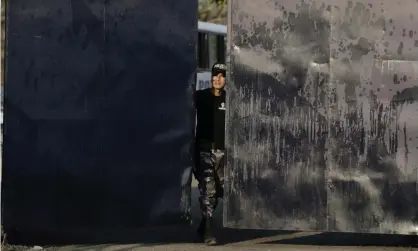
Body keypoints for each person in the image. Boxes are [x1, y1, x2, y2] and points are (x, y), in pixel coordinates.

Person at [193, 62, 227, 245]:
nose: (218, 79)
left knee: (221, 191)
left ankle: (203, 225)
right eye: (215, 75)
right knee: (208, 190)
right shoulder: (201, 97)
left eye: (222, 75)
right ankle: (208, 232)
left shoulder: (230, 99)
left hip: (223, 152)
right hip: (205, 150)